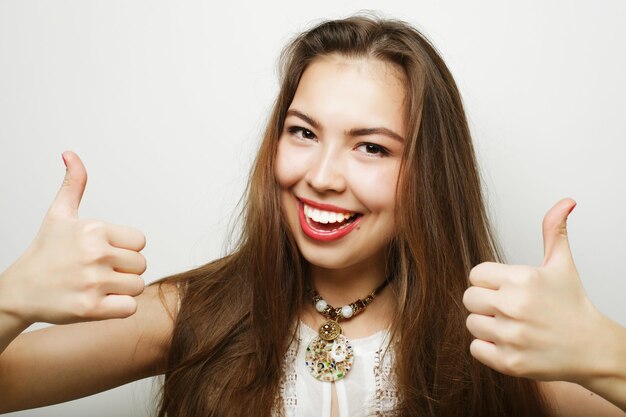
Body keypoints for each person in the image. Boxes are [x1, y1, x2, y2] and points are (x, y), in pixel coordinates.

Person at [0, 14, 624, 417]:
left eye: (372, 146)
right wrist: (12, 300)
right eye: (302, 132)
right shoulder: (195, 313)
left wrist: (601, 350)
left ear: (430, 173)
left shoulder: (497, 341)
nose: (321, 176)